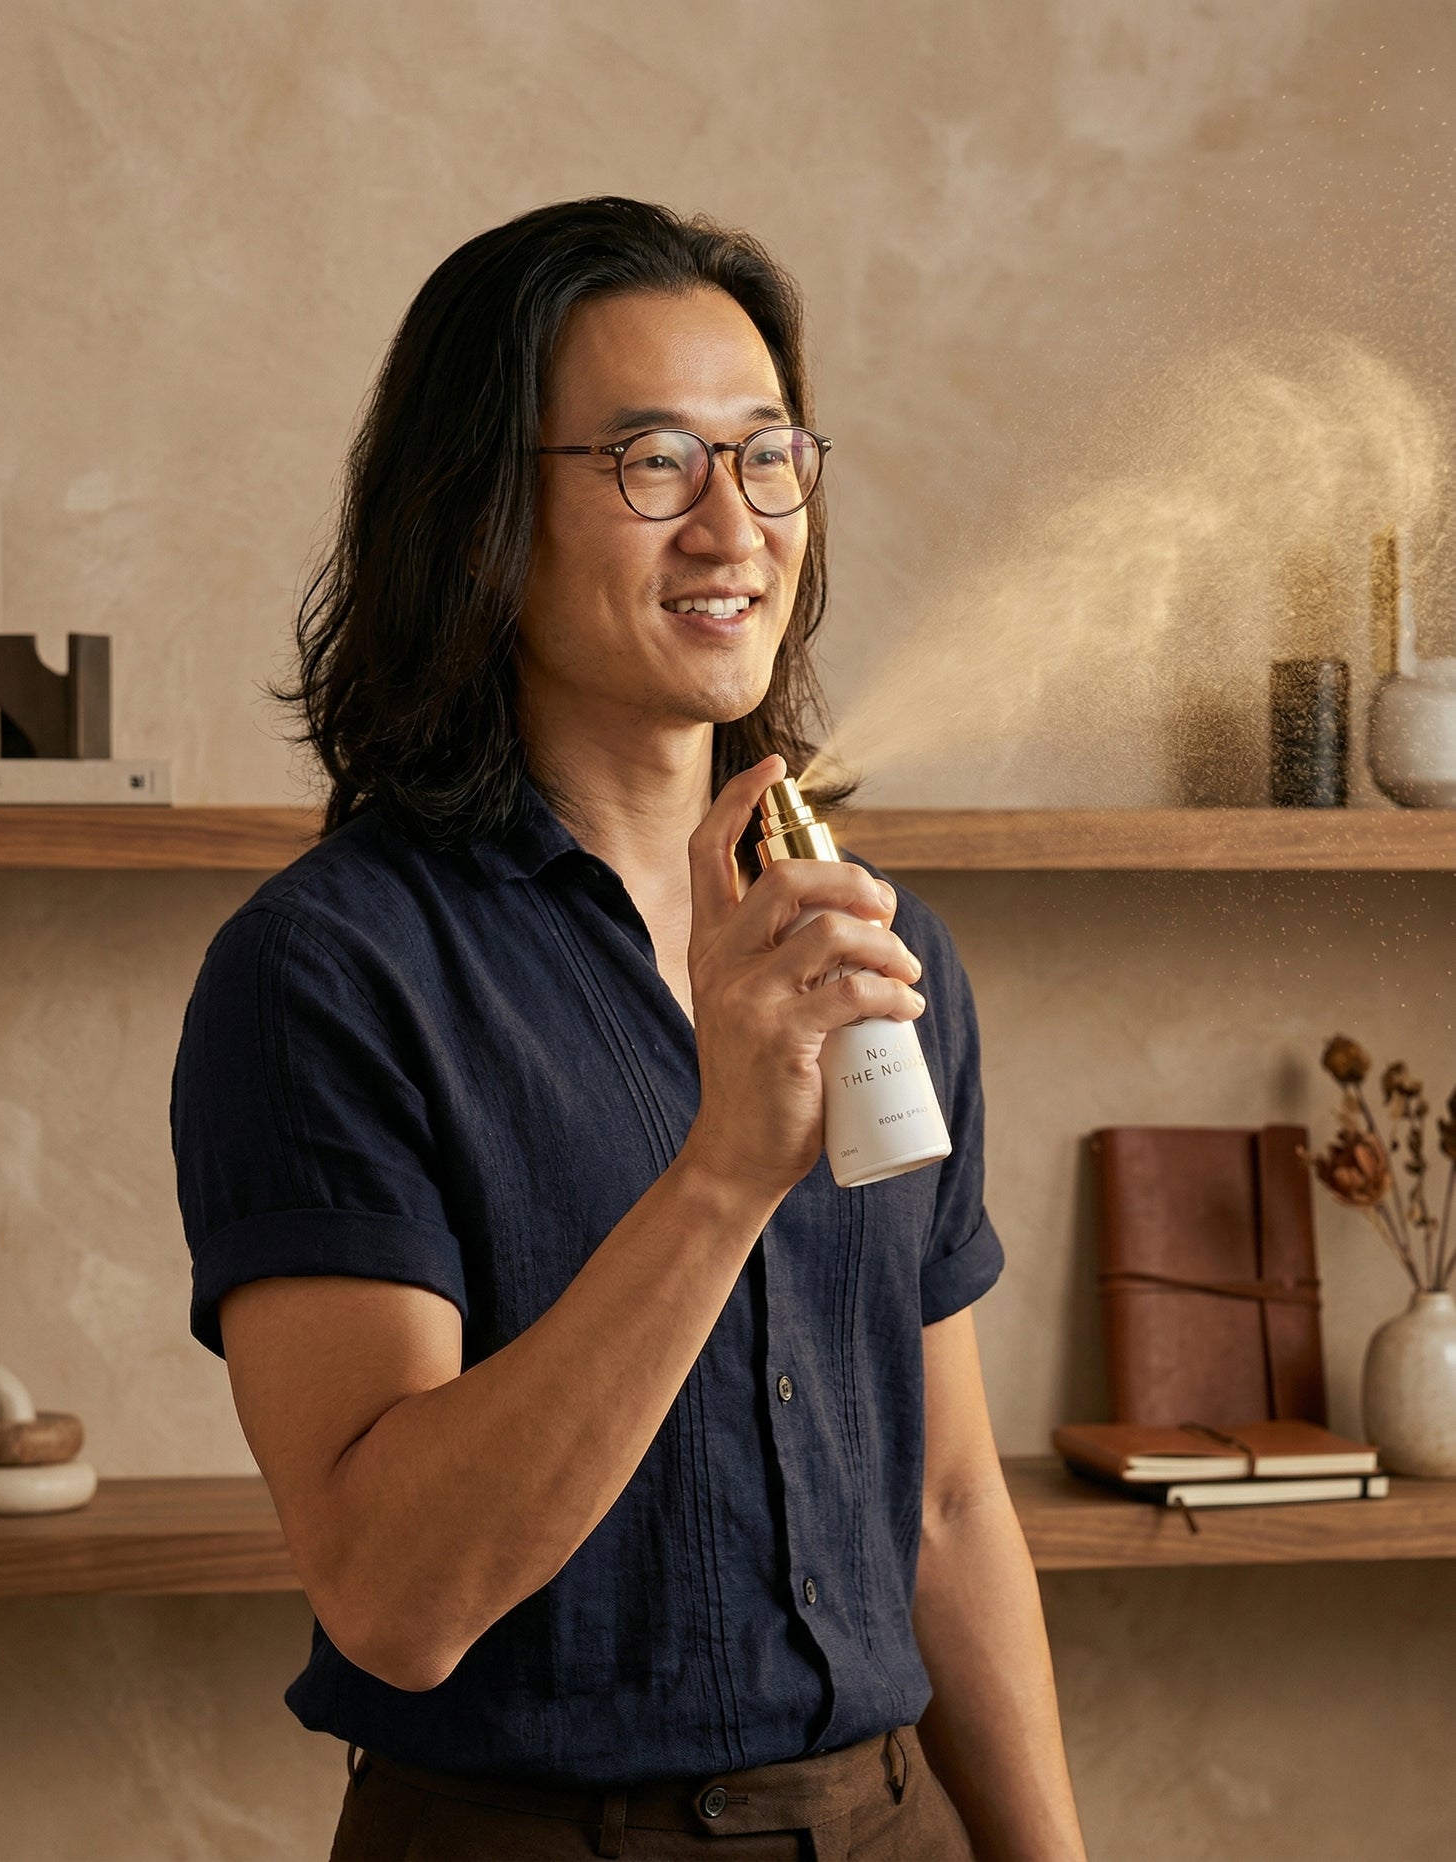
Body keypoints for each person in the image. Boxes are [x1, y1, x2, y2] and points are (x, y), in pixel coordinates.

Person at [171, 196, 1088, 1862]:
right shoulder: (327, 972)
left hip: (895, 1823)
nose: (731, 524)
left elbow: (948, 1512)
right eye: (651, 461)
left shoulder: (883, 953)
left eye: (768, 456)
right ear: (476, 526)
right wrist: (727, 1167)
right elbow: (394, 1595)